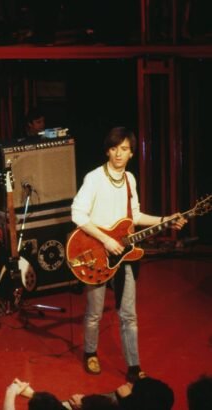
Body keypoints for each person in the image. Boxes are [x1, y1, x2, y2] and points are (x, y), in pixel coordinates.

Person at [71, 127, 187, 382]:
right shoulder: (94, 178)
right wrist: (105, 239)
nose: (118, 154)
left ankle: (133, 367)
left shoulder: (130, 180)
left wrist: (165, 219)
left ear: (132, 153)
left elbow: (134, 216)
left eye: (124, 149)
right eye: (114, 148)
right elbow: (77, 214)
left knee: (128, 315)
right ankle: (90, 352)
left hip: (124, 254)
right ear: (107, 150)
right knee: (94, 312)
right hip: (97, 251)